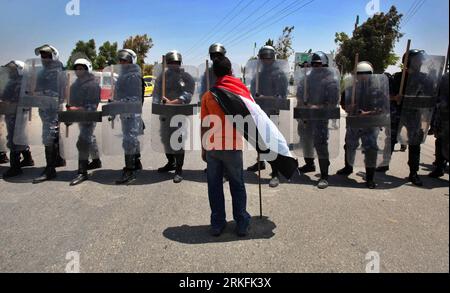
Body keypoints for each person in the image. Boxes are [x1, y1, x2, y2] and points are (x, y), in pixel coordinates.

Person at [201, 56, 251, 237]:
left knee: (214, 186)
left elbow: (205, 124)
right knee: (237, 184)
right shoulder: (241, 92)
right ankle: (242, 222)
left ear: (214, 73)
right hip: (234, 146)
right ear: (230, 72)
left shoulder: (208, 95)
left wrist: (203, 147)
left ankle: (217, 223)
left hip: (213, 147)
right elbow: (252, 116)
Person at [337, 62, 389, 189]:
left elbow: (382, 109)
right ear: (356, 76)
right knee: (349, 145)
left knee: (370, 149)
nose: (363, 77)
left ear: (371, 75)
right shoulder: (350, 90)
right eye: (360, 74)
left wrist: (367, 113)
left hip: (370, 125)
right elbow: (343, 105)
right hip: (354, 123)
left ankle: (370, 178)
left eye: (366, 74)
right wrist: (349, 107)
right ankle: (348, 167)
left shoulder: (377, 91)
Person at [296, 51, 340, 189]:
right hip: (306, 116)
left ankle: (324, 176)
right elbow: (299, 95)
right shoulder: (306, 79)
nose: (316, 67)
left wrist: (317, 106)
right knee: (305, 140)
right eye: (314, 64)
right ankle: (309, 164)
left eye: (319, 64)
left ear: (325, 65)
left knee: (320, 144)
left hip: (320, 117)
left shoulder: (330, 81)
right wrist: (301, 109)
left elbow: (333, 102)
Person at [246, 45, 289, 188]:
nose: (266, 61)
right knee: (259, 139)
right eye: (263, 58)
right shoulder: (257, 75)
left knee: (272, 142)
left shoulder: (279, 75)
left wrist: (265, 97)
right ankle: (260, 163)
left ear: (273, 58)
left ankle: (275, 172)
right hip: (259, 111)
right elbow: (252, 93)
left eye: (268, 58)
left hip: (272, 111)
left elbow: (282, 96)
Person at [153, 51, 196, 184]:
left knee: (177, 141)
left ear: (180, 63)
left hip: (179, 113)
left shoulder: (186, 77)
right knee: (165, 139)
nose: (173, 65)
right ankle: (170, 162)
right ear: (167, 64)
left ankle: (178, 169)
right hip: (165, 114)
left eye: (176, 63)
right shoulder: (162, 77)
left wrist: (172, 102)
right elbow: (156, 93)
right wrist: (159, 102)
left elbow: (187, 94)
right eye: (171, 62)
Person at [66, 58, 102, 186]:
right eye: (76, 68)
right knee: (89, 138)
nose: (78, 71)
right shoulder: (75, 84)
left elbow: (91, 107)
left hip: (88, 117)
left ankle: (82, 172)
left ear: (87, 69)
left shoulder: (92, 85)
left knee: (83, 142)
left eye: (81, 68)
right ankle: (96, 161)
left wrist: (75, 109)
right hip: (78, 116)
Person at [32, 45, 65, 184]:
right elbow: (37, 88)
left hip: (53, 108)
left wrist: (46, 95)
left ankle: (50, 169)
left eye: (47, 55)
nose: (44, 58)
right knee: (54, 134)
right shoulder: (42, 72)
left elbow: (62, 91)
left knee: (48, 136)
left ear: (54, 56)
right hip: (44, 108)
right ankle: (57, 159)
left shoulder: (58, 71)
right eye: (42, 56)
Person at [113, 49, 144, 185]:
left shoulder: (133, 76)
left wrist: (119, 102)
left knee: (129, 140)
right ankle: (136, 162)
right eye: (121, 60)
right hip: (125, 111)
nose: (122, 62)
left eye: (125, 60)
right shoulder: (123, 75)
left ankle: (130, 170)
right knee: (131, 138)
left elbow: (135, 97)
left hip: (131, 111)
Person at [1, 61, 35, 178]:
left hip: (15, 113)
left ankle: (15, 167)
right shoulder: (16, 82)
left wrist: (5, 101)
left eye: (13, 70)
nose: (10, 72)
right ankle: (28, 159)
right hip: (14, 112)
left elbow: (13, 99)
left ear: (20, 70)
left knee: (13, 139)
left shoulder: (19, 83)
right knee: (21, 137)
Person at [429, 71, 449, 178]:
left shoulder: (445, 77)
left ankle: (439, 167)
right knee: (440, 142)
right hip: (444, 116)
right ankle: (439, 166)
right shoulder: (445, 77)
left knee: (441, 142)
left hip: (444, 115)